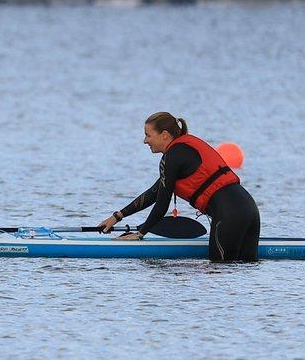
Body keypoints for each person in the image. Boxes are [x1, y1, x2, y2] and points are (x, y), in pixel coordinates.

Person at [98, 112, 262, 262]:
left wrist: (140, 234)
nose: (145, 140)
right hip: (249, 209)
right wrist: (117, 216)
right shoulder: (182, 151)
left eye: (148, 135)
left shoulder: (172, 156)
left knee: (220, 273)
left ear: (164, 135)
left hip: (229, 215)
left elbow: (162, 205)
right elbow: (154, 193)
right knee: (244, 273)